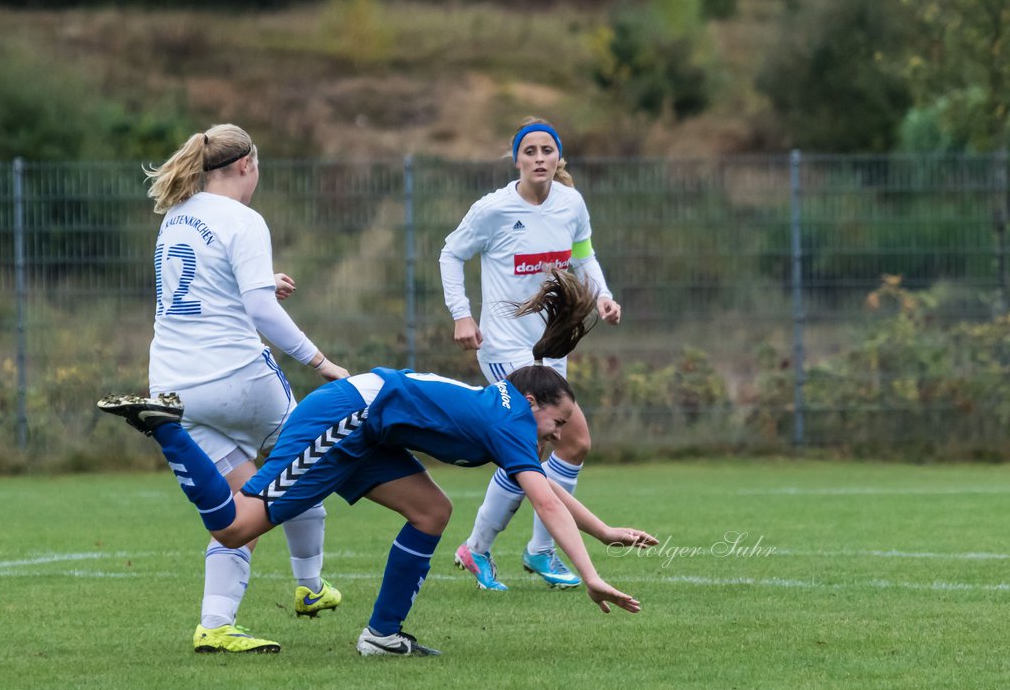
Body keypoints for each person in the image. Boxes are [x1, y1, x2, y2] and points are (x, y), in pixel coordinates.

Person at [99, 268, 656, 656]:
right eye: (556, 425)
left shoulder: (508, 410)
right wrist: (591, 576)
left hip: (368, 428)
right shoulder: (511, 419)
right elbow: (542, 497)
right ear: (535, 403)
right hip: (345, 420)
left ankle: (383, 635)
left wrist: (603, 532)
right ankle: (165, 427)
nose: (557, 438)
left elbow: (547, 491)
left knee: (432, 511)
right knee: (235, 527)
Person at [135, 123, 350, 654]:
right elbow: (258, 312)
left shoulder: (175, 218)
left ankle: (215, 624)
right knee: (307, 466)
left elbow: (201, 286)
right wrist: (319, 362)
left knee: (239, 507)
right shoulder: (245, 219)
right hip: (238, 378)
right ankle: (310, 588)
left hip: (173, 388)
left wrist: (258, 282)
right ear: (246, 166)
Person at [440, 116, 626, 591]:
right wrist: (463, 315)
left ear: (558, 158)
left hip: (549, 344)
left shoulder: (571, 204)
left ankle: (519, 550)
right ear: (517, 158)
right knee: (537, 444)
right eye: (530, 151)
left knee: (570, 444)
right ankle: (500, 550)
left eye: (548, 151)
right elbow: (450, 253)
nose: (539, 158)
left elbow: (583, 255)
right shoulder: (494, 209)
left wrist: (602, 294)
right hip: (503, 344)